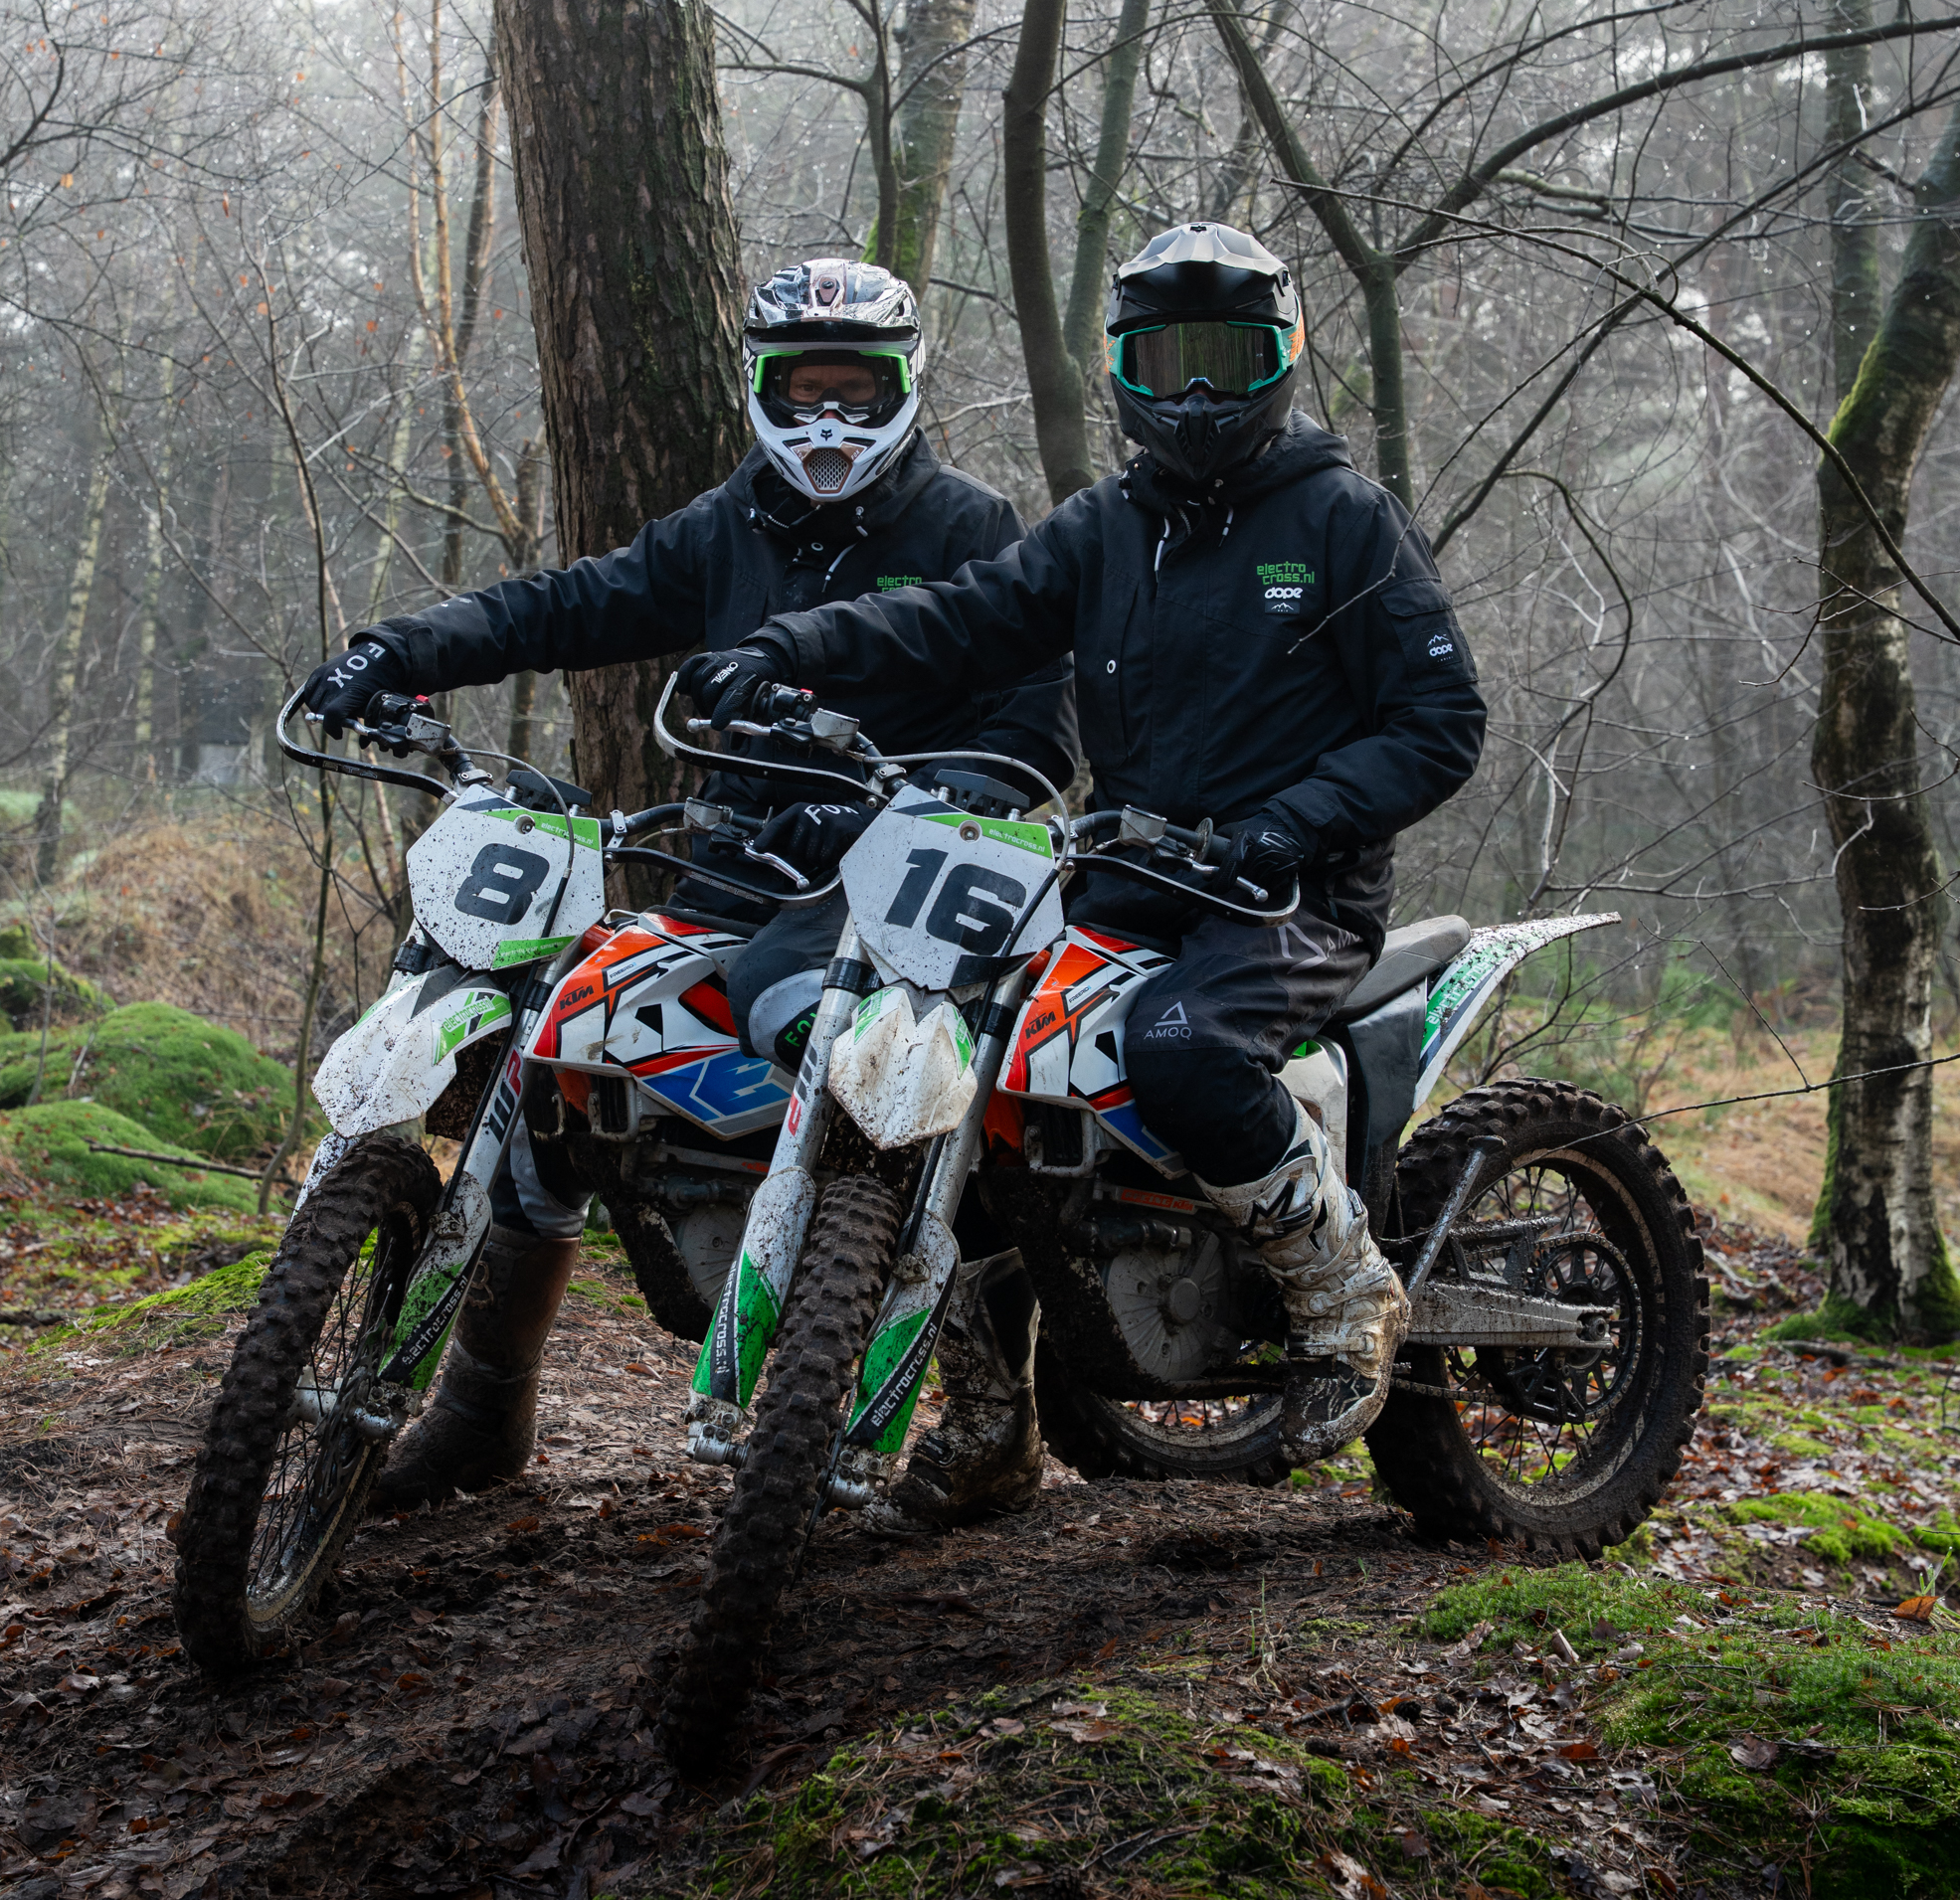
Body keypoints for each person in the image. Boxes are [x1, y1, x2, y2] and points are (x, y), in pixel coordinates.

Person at [682, 223, 1488, 1468]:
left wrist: (1289, 823)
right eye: (1168, 362)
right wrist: (793, 646)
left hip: (1291, 893)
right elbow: (961, 616)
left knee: (1179, 1048)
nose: (1201, 391)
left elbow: (1440, 722)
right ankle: (992, 1401)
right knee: (971, 1054)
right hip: (1121, 878)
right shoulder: (1103, 525)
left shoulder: (1340, 519)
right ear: (1122, 368)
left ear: (1283, 358)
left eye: (1229, 356)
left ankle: (1341, 1287)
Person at [299, 258, 1078, 1516]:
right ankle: (479, 1409)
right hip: (732, 864)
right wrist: (403, 649)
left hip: (901, 896)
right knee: (557, 1055)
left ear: (904, 387)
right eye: (803, 386)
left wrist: (947, 798)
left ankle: (994, 1416)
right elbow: (573, 601)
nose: (827, 418)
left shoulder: (975, 531)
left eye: (856, 387)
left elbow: (1044, 711)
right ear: (761, 388)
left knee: (921, 1101)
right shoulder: (732, 524)